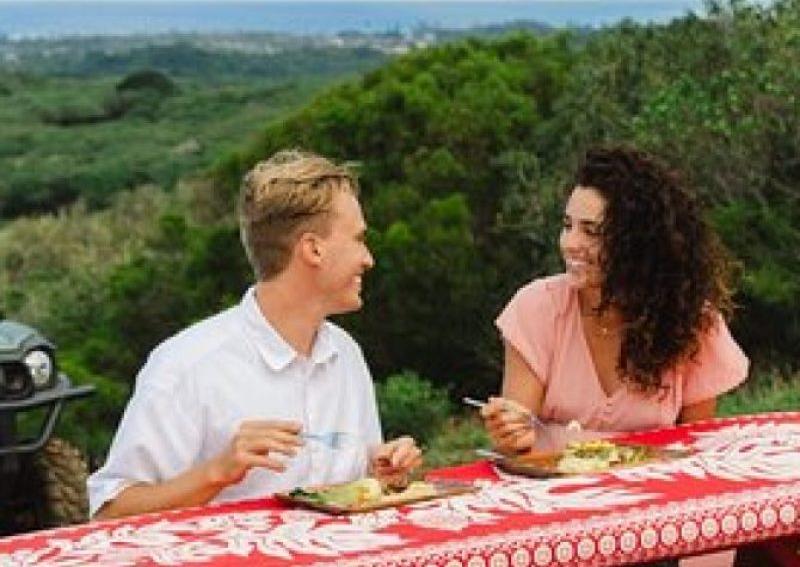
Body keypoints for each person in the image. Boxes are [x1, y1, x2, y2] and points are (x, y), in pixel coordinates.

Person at [88, 150, 422, 519]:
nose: (368, 258)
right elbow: (109, 514)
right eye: (359, 239)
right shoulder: (186, 366)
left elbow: (357, 494)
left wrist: (382, 471)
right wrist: (216, 473)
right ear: (313, 248)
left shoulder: (346, 353)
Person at [480, 146, 749, 567]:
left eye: (593, 231)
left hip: (660, 525)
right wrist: (510, 429)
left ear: (638, 243)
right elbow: (518, 446)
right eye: (568, 225)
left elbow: (698, 461)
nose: (571, 243)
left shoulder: (691, 324)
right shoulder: (536, 309)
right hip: (560, 524)